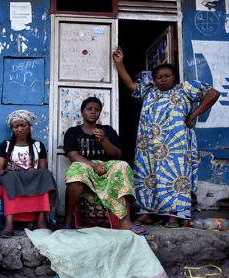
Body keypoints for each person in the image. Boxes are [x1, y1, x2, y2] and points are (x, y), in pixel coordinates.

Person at [113, 47, 220, 227]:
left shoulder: (185, 89)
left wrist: (193, 115)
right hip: (149, 146)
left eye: (166, 76)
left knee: (175, 178)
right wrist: (119, 63)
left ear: (174, 77)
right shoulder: (149, 91)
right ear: (154, 79)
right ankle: (148, 213)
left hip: (175, 145)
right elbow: (130, 84)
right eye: (158, 77)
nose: (162, 79)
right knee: (148, 176)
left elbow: (213, 93)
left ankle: (174, 215)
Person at [63, 97, 144, 234]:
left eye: (97, 110)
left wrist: (104, 140)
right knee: (75, 172)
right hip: (85, 165)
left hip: (106, 166)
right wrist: (93, 166)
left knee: (123, 166)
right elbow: (72, 155)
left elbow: (117, 155)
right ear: (82, 112)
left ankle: (125, 221)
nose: (93, 112)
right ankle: (67, 220)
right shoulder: (73, 132)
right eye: (89, 109)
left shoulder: (107, 130)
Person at [0, 110, 56, 237]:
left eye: (23, 125)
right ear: (12, 129)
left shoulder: (38, 145)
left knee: (45, 175)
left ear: (30, 127)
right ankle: (8, 225)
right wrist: (9, 170)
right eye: (16, 126)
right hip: (14, 180)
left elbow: (43, 169)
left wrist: (33, 171)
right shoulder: (5, 145)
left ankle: (41, 223)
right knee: (11, 177)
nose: (19, 129)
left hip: (33, 180)